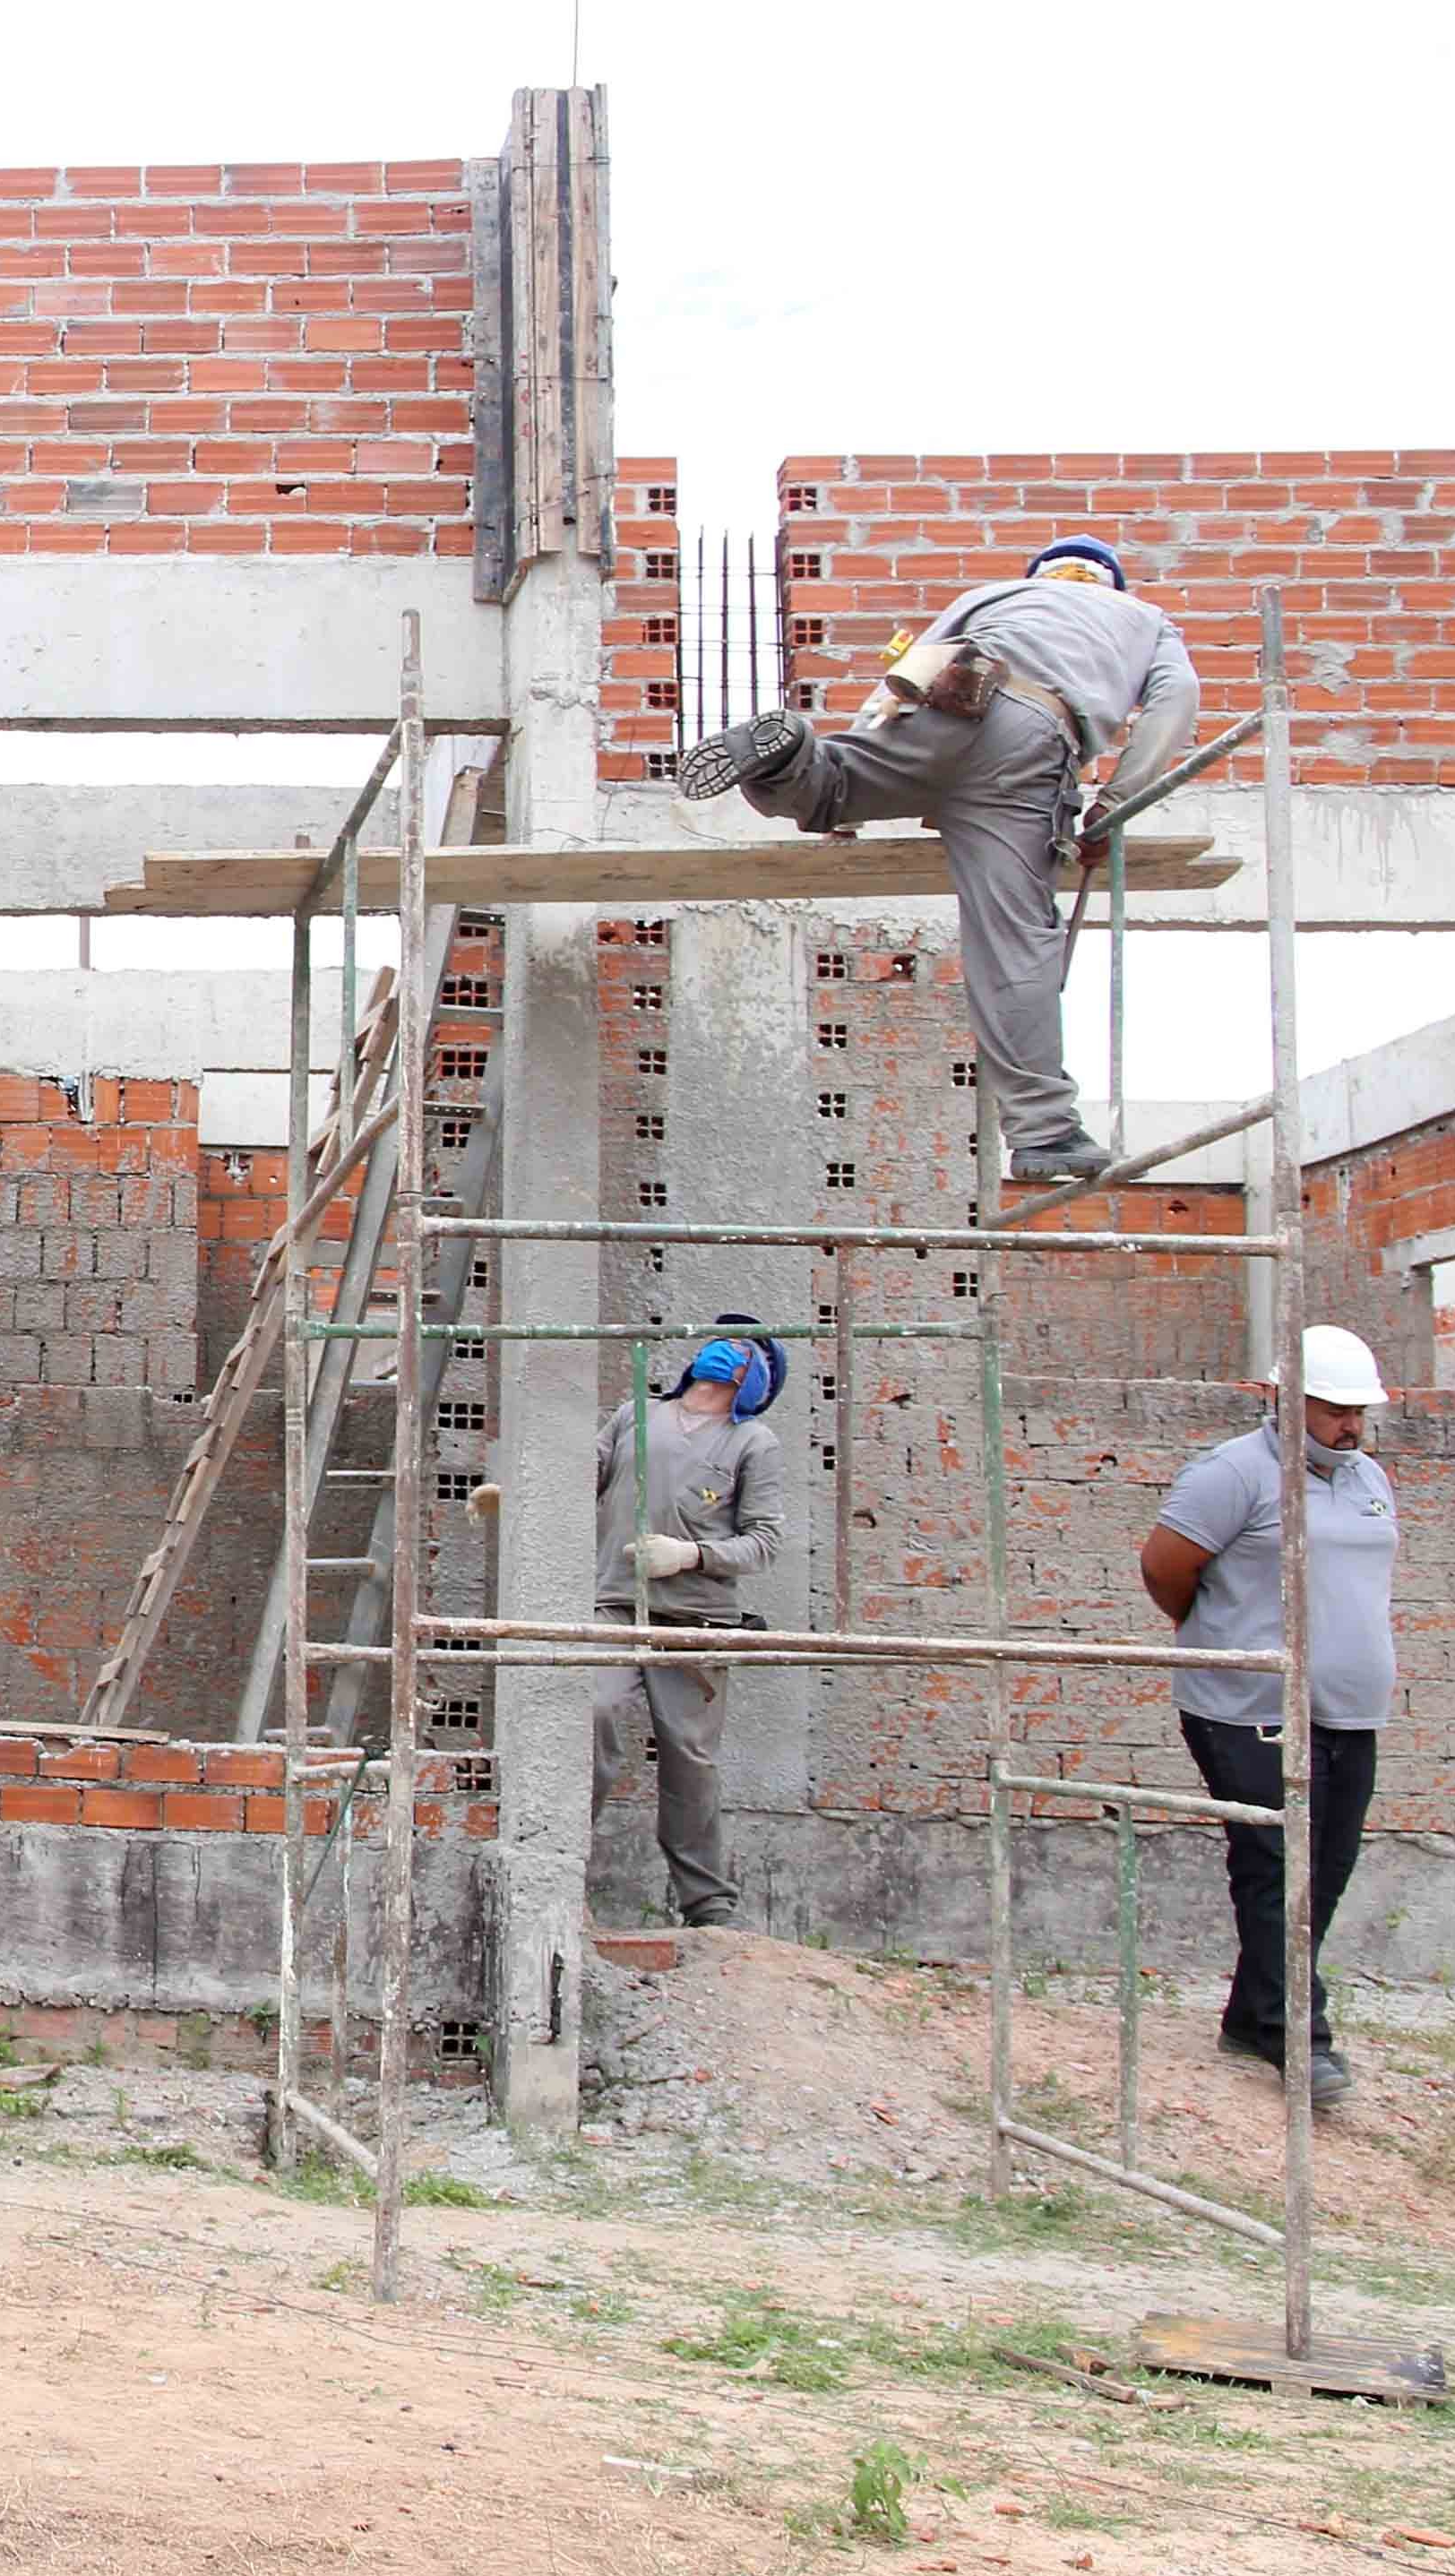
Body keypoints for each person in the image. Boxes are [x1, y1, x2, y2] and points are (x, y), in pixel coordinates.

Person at [676, 533, 1202, 1181]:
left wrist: (860, 787)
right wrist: (1115, 806)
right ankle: (1045, 1133)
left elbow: (907, 677)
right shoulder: (1147, 621)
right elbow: (1175, 702)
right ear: (1111, 584)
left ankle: (793, 756)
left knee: (833, 786)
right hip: (1029, 743)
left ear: (1044, 573)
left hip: (953, 698)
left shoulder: (994, 595)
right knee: (1015, 938)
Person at [1139, 1324, 1400, 2112]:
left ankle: (1253, 2016)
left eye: (1359, 1411)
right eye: (1332, 1410)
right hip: (1245, 1705)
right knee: (1277, 1864)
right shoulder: (1234, 1474)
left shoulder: (1367, 1477)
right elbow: (1164, 1568)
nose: (1349, 1426)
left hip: (1349, 1711)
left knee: (1325, 1869)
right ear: (1284, 1399)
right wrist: (1226, 1638)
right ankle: (1299, 2035)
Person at [591, 1319, 794, 1930]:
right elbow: (585, 1474)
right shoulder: (636, 1414)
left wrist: (693, 1555)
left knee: (689, 1759)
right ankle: (557, 1865)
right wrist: (520, 1489)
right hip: (616, 1605)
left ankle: (707, 1906)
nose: (722, 1347)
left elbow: (766, 1541)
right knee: (591, 1713)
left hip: (697, 1617)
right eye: (718, 1339)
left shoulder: (752, 1443)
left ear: (755, 1377)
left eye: (742, 1346)